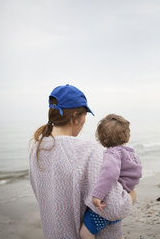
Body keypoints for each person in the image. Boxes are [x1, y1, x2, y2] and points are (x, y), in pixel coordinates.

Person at [29, 84, 136, 239]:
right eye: (85, 114)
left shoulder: (36, 149)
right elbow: (114, 208)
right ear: (75, 117)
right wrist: (131, 195)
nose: (85, 120)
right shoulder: (88, 150)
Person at [80, 114, 142, 239]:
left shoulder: (112, 154)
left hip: (109, 205)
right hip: (125, 201)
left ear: (101, 140)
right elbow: (136, 174)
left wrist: (98, 194)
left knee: (85, 233)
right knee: (116, 234)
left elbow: (110, 174)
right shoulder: (131, 154)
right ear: (128, 137)